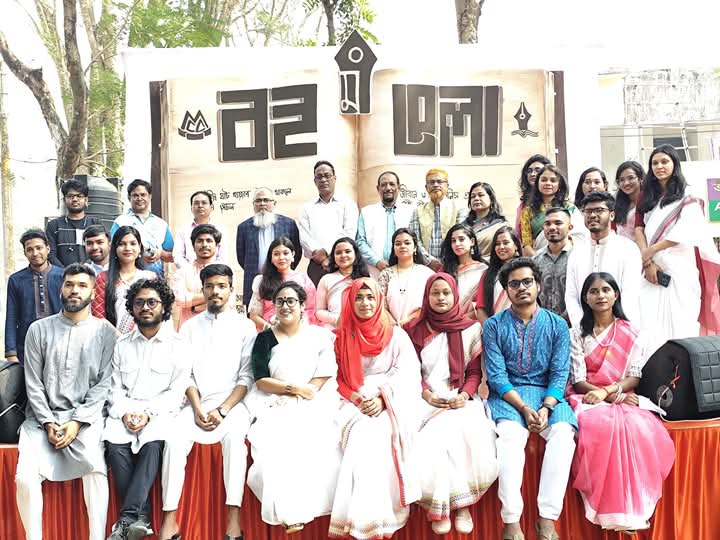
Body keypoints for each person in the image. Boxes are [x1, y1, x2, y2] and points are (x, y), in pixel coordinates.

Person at [15, 264, 117, 540]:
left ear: (93, 292)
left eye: (82, 285)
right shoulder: (38, 330)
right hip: (41, 419)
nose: (75, 290)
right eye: (69, 284)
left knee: (95, 468)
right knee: (25, 477)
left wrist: (77, 422)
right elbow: (33, 382)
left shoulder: (106, 333)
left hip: (86, 419)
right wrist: (48, 422)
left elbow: (104, 384)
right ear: (61, 288)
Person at [568, 272, 675, 533]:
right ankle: (609, 508)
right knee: (601, 427)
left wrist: (610, 393)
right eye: (594, 291)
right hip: (587, 398)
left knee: (642, 429)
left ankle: (632, 510)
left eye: (606, 290)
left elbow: (634, 377)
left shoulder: (632, 333)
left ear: (616, 295)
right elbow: (579, 380)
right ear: (585, 298)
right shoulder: (576, 334)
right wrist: (605, 395)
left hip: (619, 396)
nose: (600, 296)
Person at [158, 264, 256, 540]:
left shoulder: (245, 326)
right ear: (202, 289)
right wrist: (198, 408)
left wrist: (223, 410)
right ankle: (169, 520)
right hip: (196, 404)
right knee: (174, 441)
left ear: (231, 289)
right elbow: (185, 374)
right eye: (210, 286)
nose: (215, 291)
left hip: (233, 405)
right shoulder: (189, 327)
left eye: (221, 286)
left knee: (235, 442)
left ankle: (233, 520)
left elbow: (247, 377)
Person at [482, 258, 577, 540]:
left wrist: (547, 407)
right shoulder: (494, 326)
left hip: (549, 395)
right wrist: (523, 408)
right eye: (514, 284)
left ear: (537, 285)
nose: (522, 288)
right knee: (510, 439)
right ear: (507, 290)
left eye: (527, 282)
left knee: (563, 435)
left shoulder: (558, 325)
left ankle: (547, 519)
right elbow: (497, 376)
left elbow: (559, 373)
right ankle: (511, 520)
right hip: (509, 396)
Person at [405, 273, 498, 535]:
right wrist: (427, 395)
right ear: (427, 296)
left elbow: (474, 373)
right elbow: (410, 372)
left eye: (446, 293)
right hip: (425, 398)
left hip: (460, 396)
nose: (441, 298)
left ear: (454, 295)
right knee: (432, 437)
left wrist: (465, 395)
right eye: (435, 293)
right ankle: (440, 507)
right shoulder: (414, 329)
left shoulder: (470, 328)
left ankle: (462, 505)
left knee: (465, 431)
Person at [329, 278, 422, 540]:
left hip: (391, 401)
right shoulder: (339, 336)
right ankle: (367, 523)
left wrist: (383, 400)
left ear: (380, 300)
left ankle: (378, 520)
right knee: (361, 435)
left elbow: (408, 374)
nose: (365, 303)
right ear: (350, 301)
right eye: (359, 297)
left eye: (370, 297)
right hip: (351, 400)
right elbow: (336, 378)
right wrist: (358, 400)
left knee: (382, 435)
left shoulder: (396, 335)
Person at [246, 282, 340, 532]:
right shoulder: (264, 338)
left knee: (316, 441)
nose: (285, 306)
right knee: (277, 445)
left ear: (302, 305)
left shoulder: (318, 336)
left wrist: (306, 392)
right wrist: (293, 389)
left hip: (314, 398)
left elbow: (325, 371)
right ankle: (289, 513)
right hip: (275, 398)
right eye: (280, 301)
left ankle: (308, 508)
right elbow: (260, 379)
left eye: (291, 301)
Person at [103, 279, 189, 540]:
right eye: (139, 302)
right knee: (114, 445)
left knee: (153, 446)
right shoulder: (122, 345)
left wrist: (148, 414)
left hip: (159, 413)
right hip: (126, 411)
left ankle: (128, 519)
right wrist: (125, 413)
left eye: (152, 302)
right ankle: (139, 517)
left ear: (164, 307)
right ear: (131, 308)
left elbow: (177, 392)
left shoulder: (178, 345)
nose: (145, 307)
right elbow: (114, 387)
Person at [635, 144, 720, 353]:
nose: (659, 166)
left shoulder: (687, 195)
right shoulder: (646, 195)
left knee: (683, 319)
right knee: (649, 321)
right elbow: (639, 227)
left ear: (675, 164)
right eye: (655, 163)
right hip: (650, 267)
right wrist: (647, 260)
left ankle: (684, 365)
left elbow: (686, 231)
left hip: (680, 267)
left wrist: (651, 250)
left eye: (664, 162)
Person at [565, 191, 642, 329]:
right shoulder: (576, 252)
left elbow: (631, 294)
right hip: (584, 330)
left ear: (612, 215)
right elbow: (571, 296)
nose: (592, 215)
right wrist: (582, 327)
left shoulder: (628, 249)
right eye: (588, 211)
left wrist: (617, 330)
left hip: (621, 330)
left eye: (599, 210)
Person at [5, 229, 63, 364]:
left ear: (48, 249)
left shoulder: (63, 276)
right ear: (25, 252)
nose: (35, 253)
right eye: (29, 249)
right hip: (26, 346)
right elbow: (11, 317)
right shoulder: (16, 280)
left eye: (39, 248)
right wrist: (11, 352)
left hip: (59, 343)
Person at [236, 187, 302, 307]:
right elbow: (241, 258)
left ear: (274, 203)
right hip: (254, 281)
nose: (262, 204)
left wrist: (284, 270)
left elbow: (296, 252)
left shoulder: (288, 224)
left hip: (283, 280)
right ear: (253, 204)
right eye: (258, 201)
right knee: (254, 315)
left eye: (266, 200)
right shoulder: (244, 227)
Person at [298, 160, 359, 286]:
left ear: (334, 178)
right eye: (319, 177)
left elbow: (349, 233)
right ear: (315, 181)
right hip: (316, 265)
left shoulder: (348, 204)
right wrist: (320, 257)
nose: (323, 180)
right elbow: (304, 237)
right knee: (317, 298)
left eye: (327, 175)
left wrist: (328, 254)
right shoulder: (307, 208)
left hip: (343, 262)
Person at [92, 225, 157, 334]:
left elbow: (156, 313)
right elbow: (98, 317)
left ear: (140, 248)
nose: (128, 248)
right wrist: (119, 338)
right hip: (110, 339)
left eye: (133, 243)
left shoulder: (149, 278)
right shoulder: (103, 278)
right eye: (122, 244)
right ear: (115, 249)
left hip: (144, 338)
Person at [248, 236, 318, 330]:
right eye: (276, 254)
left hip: (298, 331)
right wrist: (270, 329)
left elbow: (310, 310)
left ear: (293, 254)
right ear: (271, 257)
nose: (281, 257)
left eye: (285, 253)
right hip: (269, 332)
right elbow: (254, 315)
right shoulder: (261, 281)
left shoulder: (303, 279)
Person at [356, 171, 413, 279]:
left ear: (399, 188)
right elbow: (360, 241)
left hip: (404, 270)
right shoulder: (367, 212)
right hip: (374, 270)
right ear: (378, 188)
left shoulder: (410, 212)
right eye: (383, 185)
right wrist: (377, 261)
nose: (388, 188)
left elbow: (414, 241)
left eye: (392, 184)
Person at [111, 179, 173, 276]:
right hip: (127, 277)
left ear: (150, 196)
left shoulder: (161, 224)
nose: (139, 198)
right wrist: (136, 254)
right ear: (129, 197)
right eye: (135, 195)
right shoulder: (120, 222)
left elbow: (172, 256)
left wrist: (160, 253)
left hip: (156, 277)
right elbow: (112, 251)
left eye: (143, 195)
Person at [408, 168, 466, 270]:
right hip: (424, 267)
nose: (435, 185)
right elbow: (415, 239)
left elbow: (461, 237)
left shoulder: (459, 209)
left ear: (447, 186)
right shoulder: (418, 211)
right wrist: (429, 261)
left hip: (453, 264)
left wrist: (447, 261)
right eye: (431, 182)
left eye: (439, 181)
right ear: (426, 187)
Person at [377, 228, 434, 326]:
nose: (402, 246)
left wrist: (407, 320)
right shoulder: (386, 274)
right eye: (398, 244)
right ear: (394, 249)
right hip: (392, 328)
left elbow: (430, 303)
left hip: (420, 326)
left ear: (415, 247)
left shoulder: (427, 273)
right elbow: (380, 305)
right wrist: (395, 326)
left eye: (407, 243)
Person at [519, 165, 578, 256]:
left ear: (559, 184)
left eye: (553, 180)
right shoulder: (527, 211)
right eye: (543, 180)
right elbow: (526, 244)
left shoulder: (569, 207)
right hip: (538, 257)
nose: (548, 183)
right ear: (537, 183)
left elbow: (578, 236)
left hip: (567, 255)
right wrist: (538, 260)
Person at [171, 224, 220, 330]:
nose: (204, 244)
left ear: (217, 245)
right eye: (200, 241)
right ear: (193, 246)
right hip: (189, 330)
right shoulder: (181, 272)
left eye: (209, 241)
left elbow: (228, 303)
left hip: (217, 328)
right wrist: (213, 297)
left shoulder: (225, 273)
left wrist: (194, 307)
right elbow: (180, 299)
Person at [45, 179, 102, 267]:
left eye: (79, 196)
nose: (75, 199)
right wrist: (66, 272)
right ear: (64, 200)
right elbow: (50, 254)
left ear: (86, 200)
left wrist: (85, 268)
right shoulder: (54, 225)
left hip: (91, 272)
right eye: (70, 196)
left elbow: (101, 249)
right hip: (62, 274)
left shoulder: (95, 223)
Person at [316, 237, 370, 328]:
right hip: (333, 330)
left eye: (347, 251)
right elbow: (319, 311)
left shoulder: (366, 278)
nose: (343, 255)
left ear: (356, 254)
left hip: (361, 328)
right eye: (338, 253)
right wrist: (338, 319)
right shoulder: (326, 279)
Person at [474, 226, 521, 324]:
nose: (501, 247)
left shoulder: (525, 271)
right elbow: (481, 309)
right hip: (494, 328)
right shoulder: (488, 275)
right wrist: (491, 329)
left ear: (516, 245)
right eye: (497, 244)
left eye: (506, 242)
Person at [533, 208, 573, 321]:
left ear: (570, 227)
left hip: (572, 324)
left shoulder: (578, 257)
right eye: (547, 224)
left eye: (558, 223)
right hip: (541, 323)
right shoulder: (535, 260)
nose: (552, 227)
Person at [440, 223, 487, 318]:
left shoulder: (483, 270)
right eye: (453, 241)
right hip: (445, 319)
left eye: (461, 239)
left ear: (472, 241)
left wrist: (460, 319)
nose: (457, 244)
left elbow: (483, 303)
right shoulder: (445, 269)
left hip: (472, 321)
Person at [173, 190, 229, 268]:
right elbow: (178, 256)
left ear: (211, 207)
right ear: (191, 208)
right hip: (189, 272)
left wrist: (209, 271)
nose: (200, 206)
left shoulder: (220, 229)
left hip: (215, 272)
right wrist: (191, 270)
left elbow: (223, 257)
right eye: (196, 203)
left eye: (204, 203)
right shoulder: (183, 230)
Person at [464, 181, 509, 259]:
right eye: (473, 196)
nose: (476, 198)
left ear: (491, 199)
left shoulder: (501, 225)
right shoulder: (464, 226)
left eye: (480, 195)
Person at [514, 155, 552, 236]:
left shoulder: (561, 202)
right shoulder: (523, 206)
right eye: (529, 171)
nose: (532, 174)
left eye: (538, 170)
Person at [613, 160, 644, 242]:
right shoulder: (616, 204)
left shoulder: (648, 202)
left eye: (631, 178)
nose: (626, 183)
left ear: (640, 178)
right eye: (621, 180)